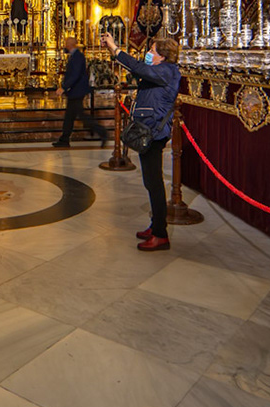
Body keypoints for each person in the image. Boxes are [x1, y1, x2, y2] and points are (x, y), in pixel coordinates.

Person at [106, 30, 181, 252]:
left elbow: (139, 67)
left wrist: (115, 49)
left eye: (151, 51)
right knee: (150, 182)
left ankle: (160, 235)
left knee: (154, 183)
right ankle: (155, 224)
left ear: (162, 56)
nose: (148, 53)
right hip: (147, 129)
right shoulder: (158, 70)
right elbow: (139, 70)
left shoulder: (167, 71)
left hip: (154, 132)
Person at [52, 36, 105, 147]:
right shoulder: (75, 56)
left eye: (66, 43)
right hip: (74, 91)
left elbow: (75, 75)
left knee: (81, 116)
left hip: (77, 91)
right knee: (69, 116)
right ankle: (64, 140)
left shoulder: (78, 57)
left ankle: (101, 131)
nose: (65, 45)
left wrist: (64, 87)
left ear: (70, 44)